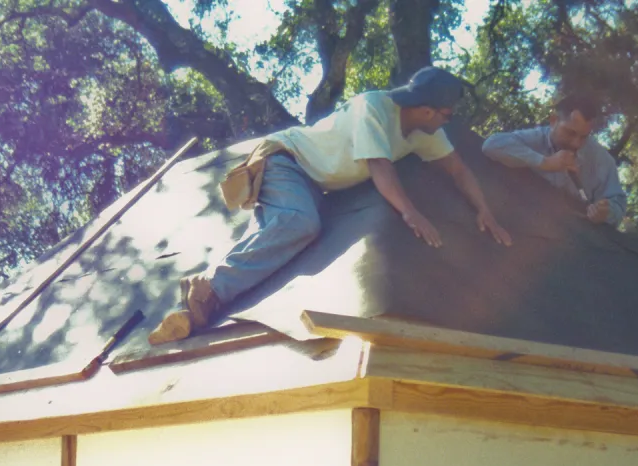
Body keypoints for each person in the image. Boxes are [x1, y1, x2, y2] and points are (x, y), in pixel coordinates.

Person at [148, 66, 512, 346]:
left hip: (311, 182)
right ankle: (211, 288)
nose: (449, 121)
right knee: (298, 223)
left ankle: (197, 305)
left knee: (273, 236)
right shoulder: (374, 108)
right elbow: (379, 166)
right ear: (429, 111)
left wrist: (486, 211)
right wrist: (410, 212)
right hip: (286, 160)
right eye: (448, 114)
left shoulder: (425, 133)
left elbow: (458, 170)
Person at [481, 94, 627, 226]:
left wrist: (605, 212)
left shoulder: (602, 160)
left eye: (584, 137)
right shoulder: (537, 138)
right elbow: (491, 145)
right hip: (523, 216)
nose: (576, 143)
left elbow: (618, 207)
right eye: (570, 133)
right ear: (553, 121)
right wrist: (544, 162)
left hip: (575, 233)